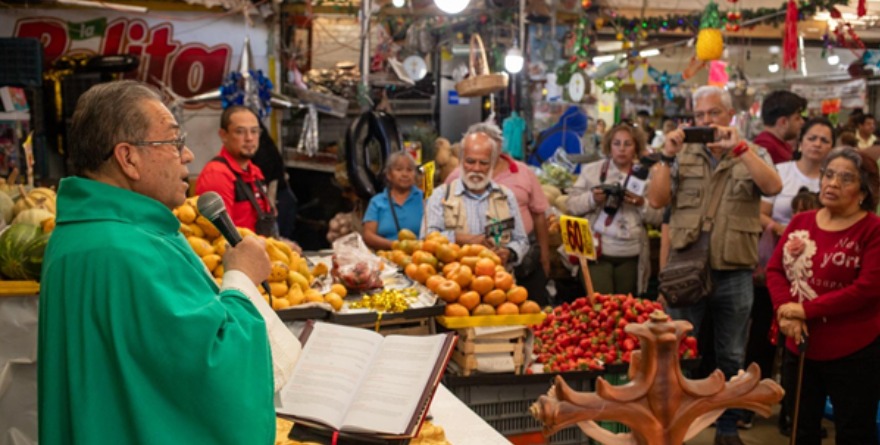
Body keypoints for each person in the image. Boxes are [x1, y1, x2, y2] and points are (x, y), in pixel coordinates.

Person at [38, 80, 301, 444]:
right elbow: (212, 367)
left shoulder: (82, 232)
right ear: (128, 158)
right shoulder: (127, 251)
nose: (188, 155)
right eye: (175, 142)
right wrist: (241, 278)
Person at [648, 85, 782, 445]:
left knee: (732, 353)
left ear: (730, 116)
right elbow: (657, 200)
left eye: (713, 114)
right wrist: (665, 156)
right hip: (686, 268)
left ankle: (726, 425)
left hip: (734, 269)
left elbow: (773, 186)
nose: (706, 121)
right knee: (678, 351)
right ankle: (676, 423)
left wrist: (741, 149)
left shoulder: (753, 152)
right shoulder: (681, 154)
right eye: (699, 115)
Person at [766, 147, 880, 445]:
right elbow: (775, 270)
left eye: (846, 178)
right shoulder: (801, 222)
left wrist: (806, 310)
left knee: (855, 432)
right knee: (800, 429)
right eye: (829, 175)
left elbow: (868, 288)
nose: (833, 183)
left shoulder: (872, 230)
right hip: (800, 344)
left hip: (853, 350)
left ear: (864, 191)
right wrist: (785, 311)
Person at [749, 117, 835, 432]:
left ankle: (795, 412)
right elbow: (760, 213)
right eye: (812, 138)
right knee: (763, 339)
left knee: (803, 347)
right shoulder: (781, 172)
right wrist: (785, 230)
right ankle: (751, 405)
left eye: (824, 140)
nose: (817, 144)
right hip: (774, 267)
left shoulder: (833, 179)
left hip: (817, 277)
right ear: (800, 142)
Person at [445, 122, 551, 305]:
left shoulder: (523, 172)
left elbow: (539, 214)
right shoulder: (456, 176)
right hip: (471, 263)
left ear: (499, 146)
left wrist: (545, 256)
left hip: (521, 256)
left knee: (529, 307)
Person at [568, 123, 659, 296]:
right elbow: (571, 205)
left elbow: (658, 217)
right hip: (596, 252)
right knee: (602, 304)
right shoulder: (591, 171)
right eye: (617, 143)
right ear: (609, 146)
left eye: (628, 144)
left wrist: (641, 203)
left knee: (624, 307)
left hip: (632, 255)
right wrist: (592, 199)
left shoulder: (647, 175)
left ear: (636, 147)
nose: (622, 149)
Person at [423, 124, 529, 270]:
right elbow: (427, 237)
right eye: (470, 161)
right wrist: (463, 239)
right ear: (461, 160)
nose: (476, 169)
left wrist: (510, 253)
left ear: (492, 163)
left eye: (483, 163)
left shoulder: (506, 196)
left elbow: (521, 240)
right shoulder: (441, 195)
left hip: (497, 280)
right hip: (452, 279)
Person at [196, 105, 279, 237]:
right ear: (223, 135)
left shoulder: (255, 171)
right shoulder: (216, 174)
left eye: (254, 131)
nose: (249, 138)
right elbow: (219, 235)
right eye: (240, 132)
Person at [362, 151, 424, 250]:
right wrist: (395, 245)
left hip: (420, 257)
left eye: (409, 170)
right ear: (389, 175)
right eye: (399, 169)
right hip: (385, 257)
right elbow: (368, 235)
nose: (405, 174)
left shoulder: (425, 199)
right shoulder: (377, 202)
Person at [752, 90, 807, 164]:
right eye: (797, 118)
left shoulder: (782, 145)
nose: (802, 122)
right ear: (783, 122)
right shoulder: (765, 147)